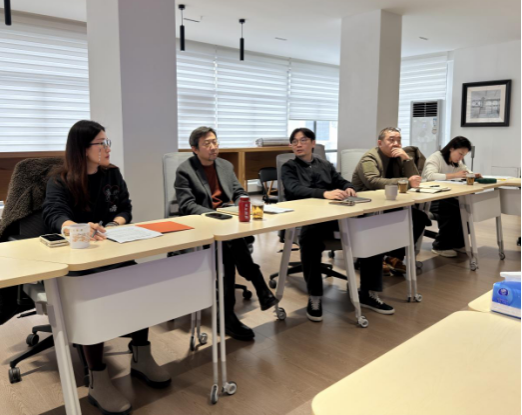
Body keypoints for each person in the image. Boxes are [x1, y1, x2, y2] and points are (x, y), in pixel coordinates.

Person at [43, 120, 170, 415]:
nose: (108, 148)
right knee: (96, 294)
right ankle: (97, 377)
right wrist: (77, 227)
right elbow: (54, 215)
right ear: (82, 149)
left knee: (139, 280)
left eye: (107, 141)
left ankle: (141, 355)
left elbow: (125, 208)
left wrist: (114, 224)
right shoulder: (60, 180)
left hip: (113, 251)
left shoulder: (112, 174)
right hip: (81, 259)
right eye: (102, 143)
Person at [174, 127, 278, 342]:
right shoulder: (185, 171)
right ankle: (258, 287)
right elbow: (186, 205)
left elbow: (239, 192)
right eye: (207, 144)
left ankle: (228, 315)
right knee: (228, 247)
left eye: (215, 142)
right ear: (195, 149)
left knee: (229, 244)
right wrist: (214, 215)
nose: (213, 147)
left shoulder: (225, 165)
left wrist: (241, 206)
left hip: (227, 223)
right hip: (203, 225)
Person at [281, 128, 395, 322]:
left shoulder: (324, 164)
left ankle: (367, 293)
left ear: (313, 143)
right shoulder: (289, 167)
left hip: (333, 215)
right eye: (294, 141)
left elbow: (340, 181)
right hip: (307, 218)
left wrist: (348, 187)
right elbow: (294, 189)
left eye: (303, 140)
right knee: (309, 239)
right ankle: (315, 296)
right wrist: (324, 193)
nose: (298, 145)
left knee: (371, 230)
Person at [351, 127, 430, 275]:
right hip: (367, 203)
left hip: (389, 202)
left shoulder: (398, 156)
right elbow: (373, 182)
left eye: (399, 140)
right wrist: (406, 182)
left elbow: (415, 180)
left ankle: (394, 257)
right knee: (388, 219)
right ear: (380, 143)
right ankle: (368, 259)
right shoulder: (370, 158)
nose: (396, 144)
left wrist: (407, 159)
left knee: (418, 217)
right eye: (391, 140)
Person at [423, 136, 482, 257]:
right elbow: (430, 176)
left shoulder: (457, 162)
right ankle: (440, 246)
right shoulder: (436, 157)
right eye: (460, 153)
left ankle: (457, 243)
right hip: (430, 198)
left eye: (464, 155)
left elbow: (465, 171)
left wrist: (472, 175)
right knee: (453, 209)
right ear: (451, 148)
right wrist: (454, 175)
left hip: (446, 197)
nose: (461, 158)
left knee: (464, 207)